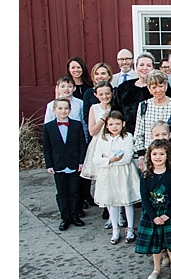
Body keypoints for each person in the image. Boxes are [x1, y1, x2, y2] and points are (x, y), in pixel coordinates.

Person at [137, 140, 171, 279]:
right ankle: (156, 269)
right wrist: (154, 216)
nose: (158, 157)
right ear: (149, 156)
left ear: (168, 155)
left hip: (169, 214)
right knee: (156, 244)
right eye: (154, 154)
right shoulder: (146, 176)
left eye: (161, 154)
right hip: (153, 215)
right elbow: (145, 198)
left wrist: (168, 214)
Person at [91, 110, 142, 244]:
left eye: (117, 124)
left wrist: (108, 159)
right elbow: (96, 159)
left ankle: (130, 228)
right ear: (107, 125)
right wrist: (110, 160)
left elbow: (126, 158)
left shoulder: (127, 137)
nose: (114, 127)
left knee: (126, 201)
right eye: (111, 124)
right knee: (111, 201)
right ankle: (115, 229)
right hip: (107, 174)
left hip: (124, 173)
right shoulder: (103, 139)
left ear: (123, 124)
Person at [43, 99, 87, 231]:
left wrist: (81, 162)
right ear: (54, 110)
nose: (63, 111)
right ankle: (65, 217)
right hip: (58, 164)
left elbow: (81, 145)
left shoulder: (76, 125)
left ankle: (75, 215)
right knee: (62, 192)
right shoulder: (48, 127)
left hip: (74, 163)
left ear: (70, 109)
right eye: (60, 108)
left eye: (66, 108)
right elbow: (47, 147)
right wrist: (49, 164)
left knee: (75, 191)